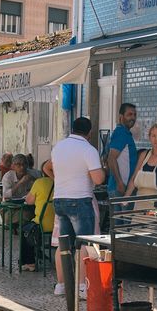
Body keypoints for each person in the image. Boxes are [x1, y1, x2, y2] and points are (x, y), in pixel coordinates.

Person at [52, 117, 105, 298]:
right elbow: (98, 179)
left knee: (63, 244)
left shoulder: (58, 147)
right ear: (89, 133)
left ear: (73, 129)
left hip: (59, 200)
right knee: (84, 243)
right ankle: (82, 286)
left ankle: (61, 285)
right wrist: (102, 171)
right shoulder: (88, 150)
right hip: (80, 200)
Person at [20, 162, 54, 272]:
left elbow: (29, 201)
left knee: (25, 230)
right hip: (59, 225)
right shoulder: (60, 183)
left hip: (42, 224)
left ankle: (29, 262)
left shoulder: (39, 183)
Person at [107, 103, 138, 197]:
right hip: (121, 189)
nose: (133, 118)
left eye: (134, 115)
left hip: (124, 188)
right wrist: (120, 183)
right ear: (121, 117)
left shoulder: (124, 133)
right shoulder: (121, 133)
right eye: (129, 114)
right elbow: (111, 159)